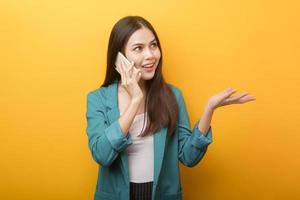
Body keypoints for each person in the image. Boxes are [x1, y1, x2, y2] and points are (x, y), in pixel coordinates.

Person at [86, 16, 256, 200]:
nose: (150, 55)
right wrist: (135, 100)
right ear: (119, 58)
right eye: (138, 48)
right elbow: (102, 155)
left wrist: (209, 110)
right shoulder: (98, 99)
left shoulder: (172, 96)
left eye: (153, 45)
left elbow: (189, 157)